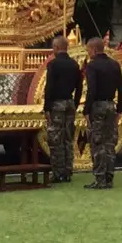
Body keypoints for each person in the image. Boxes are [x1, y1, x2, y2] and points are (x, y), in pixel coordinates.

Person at [83, 37, 122, 189]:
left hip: (97, 106)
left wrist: (86, 110)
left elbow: (91, 90)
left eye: (88, 50)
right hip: (110, 105)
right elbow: (121, 89)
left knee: (97, 142)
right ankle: (109, 178)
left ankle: (99, 178)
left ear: (94, 50)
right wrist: (119, 109)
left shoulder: (92, 66)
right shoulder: (115, 64)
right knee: (109, 143)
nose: (88, 53)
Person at [43, 35, 83, 181]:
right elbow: (79, 87)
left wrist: (47, 107)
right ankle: (67, 171)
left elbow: (49, 87)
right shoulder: (74, 65)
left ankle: (58, 173)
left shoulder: (53, 65)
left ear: (56, 47)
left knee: (56, 140)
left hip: (57, 105)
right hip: (70, 103)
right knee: (68, 139)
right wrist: (75, 103)